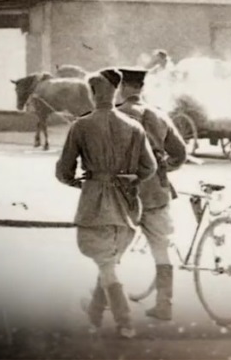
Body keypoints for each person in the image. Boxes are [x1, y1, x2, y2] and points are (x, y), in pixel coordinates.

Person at [56, 69, 158, 338]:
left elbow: (63, 172)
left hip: (95, 209)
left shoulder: (81, 126)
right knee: (108, 262)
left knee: (107, 267)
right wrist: (131, 179)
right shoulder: (134, 127)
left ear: (92, 94)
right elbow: (150, 167)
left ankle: (125, 322)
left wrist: (82, 183)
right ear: (115, 93)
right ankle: (94, 315)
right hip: (126, 210)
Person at [113, 67, 187, 321]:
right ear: (142, 88)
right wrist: (163, 171)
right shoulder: (159, 115)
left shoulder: (114, 116)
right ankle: (165, 304)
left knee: (111, 251)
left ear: (121, 88)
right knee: (161, 250)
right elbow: (180, 153)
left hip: (126, 196)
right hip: (157, 193)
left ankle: (101, 303)